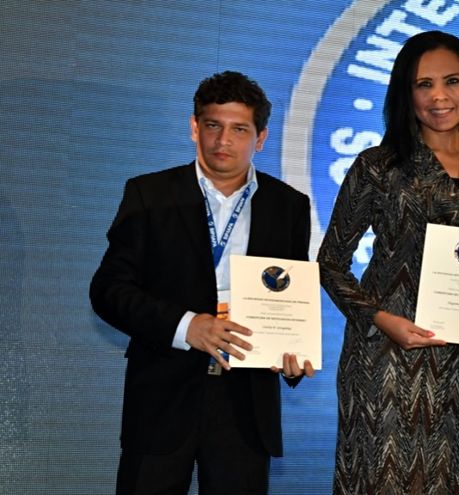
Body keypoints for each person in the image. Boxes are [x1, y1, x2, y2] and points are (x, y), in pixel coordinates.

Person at [318, 31, 459, 494]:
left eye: (452, 81)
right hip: (383, 361)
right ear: (406, 93)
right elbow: (330, 262)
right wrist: (380, 319)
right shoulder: (377, 166)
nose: (439, 97)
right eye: (424, 84)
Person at [90, 71, 315, 495]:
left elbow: (290, 295)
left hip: (246, 405)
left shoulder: (289, 206)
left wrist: (291, 353)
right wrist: (186, 326)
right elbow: (109, 290)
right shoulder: (149, 194)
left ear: (261, 138)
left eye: (239, 129)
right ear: (195, 127)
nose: (223, 140)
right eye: (213, 125)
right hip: (162, 396)